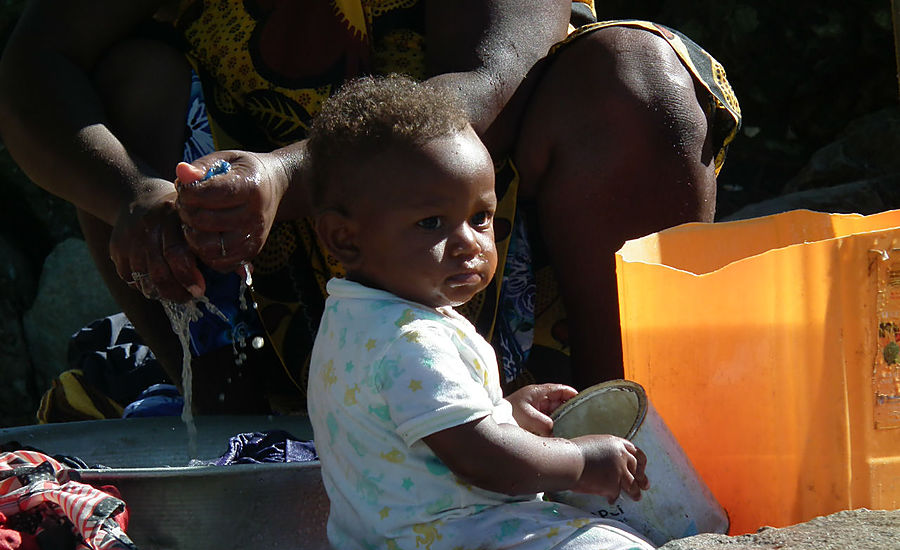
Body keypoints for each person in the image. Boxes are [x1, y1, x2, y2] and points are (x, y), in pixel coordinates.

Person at [0, 1, 741, 417]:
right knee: (119, 86)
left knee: (639, 81)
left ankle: (618, 430)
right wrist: (137, 195)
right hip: (283, 327)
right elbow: (32, 68)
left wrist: (286, 178)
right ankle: (232, 425)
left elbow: (492, 79)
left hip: (496, 295)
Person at [306, 74, 653, 550]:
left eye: (481, 217)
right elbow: (485, 463)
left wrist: (504, 413)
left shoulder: (355, 317)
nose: (468, 244)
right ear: (343, 237)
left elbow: (423, 434)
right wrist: (582, 461)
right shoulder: (411, 339)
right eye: (431, 224)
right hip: (447, 546)